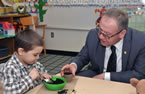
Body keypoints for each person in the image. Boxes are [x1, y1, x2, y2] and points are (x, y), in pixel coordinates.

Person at [61, 8, 145, 83]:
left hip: (124, 80)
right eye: (100, 29)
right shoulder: (93, 35)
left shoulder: (140, 41)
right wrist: (73, 65)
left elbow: (139, 74)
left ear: (122, 34)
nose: (100, 36)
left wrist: (106, 76)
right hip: (96, 73)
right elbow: (83, 57)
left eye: (107, 34)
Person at [1, 29, 51, 94]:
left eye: (39, 54)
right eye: (35, 55)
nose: (38, 57)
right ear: (21, 51)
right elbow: (9, 92)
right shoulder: (10, 69)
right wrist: (30, 78)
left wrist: (43, 76)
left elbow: (43, 72)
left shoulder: (34, 63)